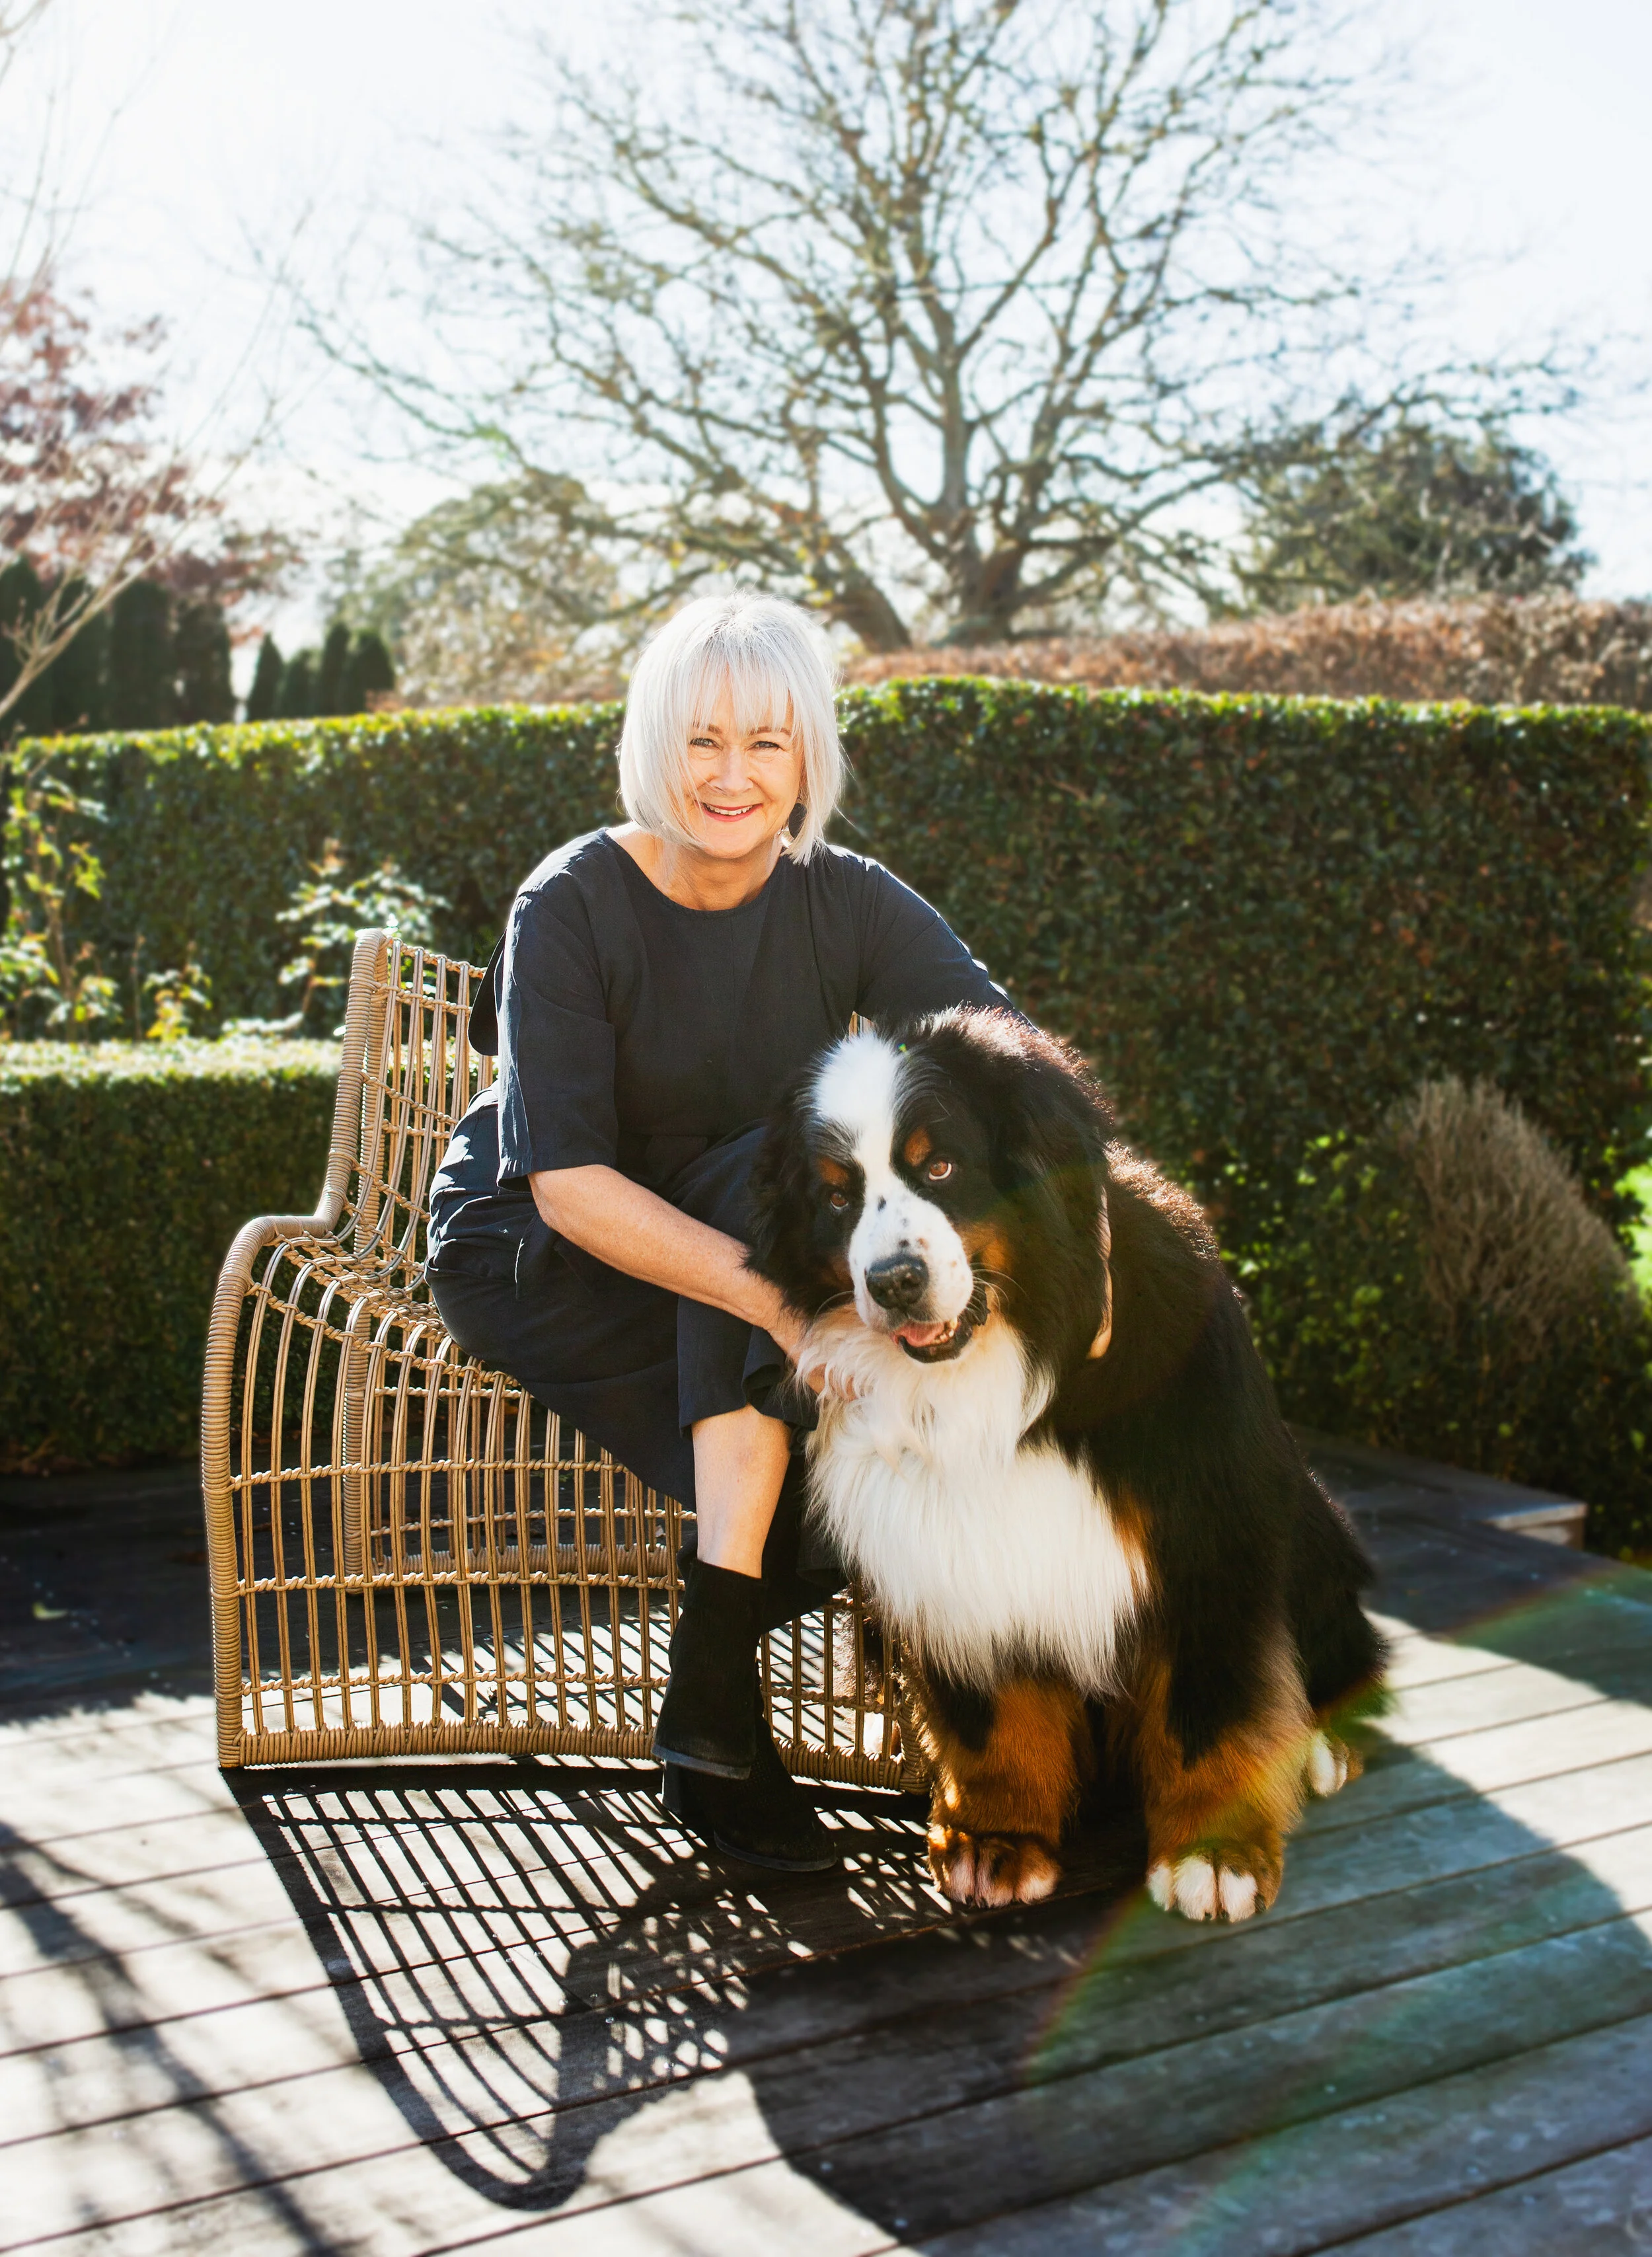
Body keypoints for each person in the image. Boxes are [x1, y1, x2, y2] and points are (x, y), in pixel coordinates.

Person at [426, 591, 1005, 1872]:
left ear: (809, 756)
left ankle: (713, 1707)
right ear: (650, 746)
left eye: (766, 742)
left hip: (725, 1228)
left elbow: (995, 1056)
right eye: (700, 741)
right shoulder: (568, 901)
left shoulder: (842, 899)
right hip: (538, 1249)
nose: (732, 777)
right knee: (759, 1219)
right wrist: (785, 1307)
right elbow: (571, 1185)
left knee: (767, 1185)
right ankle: (722, 1689)